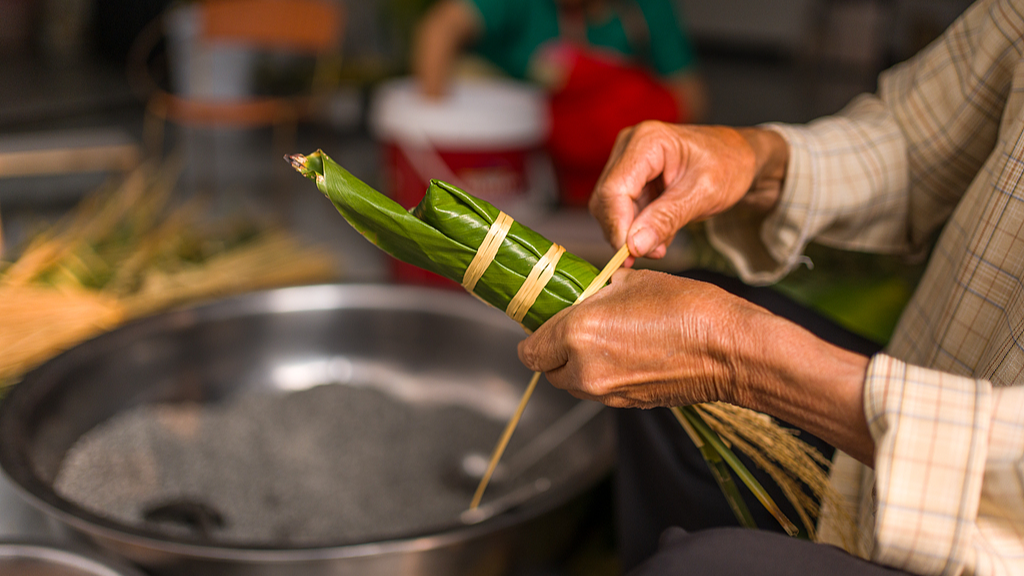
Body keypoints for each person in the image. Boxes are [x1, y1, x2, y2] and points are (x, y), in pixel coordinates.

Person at [517, 0, 1024, 574]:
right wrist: (756, 160)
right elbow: (919, 139)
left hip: (985, 526)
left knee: (698, 568)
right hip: (916, 385)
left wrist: (738, 355)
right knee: (649, 373)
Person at [412, 0, 708, 206]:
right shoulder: (519, 6)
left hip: (617, 173)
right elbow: (440, 28)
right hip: (525, 169)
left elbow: (689, 98)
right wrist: (434, 124)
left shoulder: (647, 9)